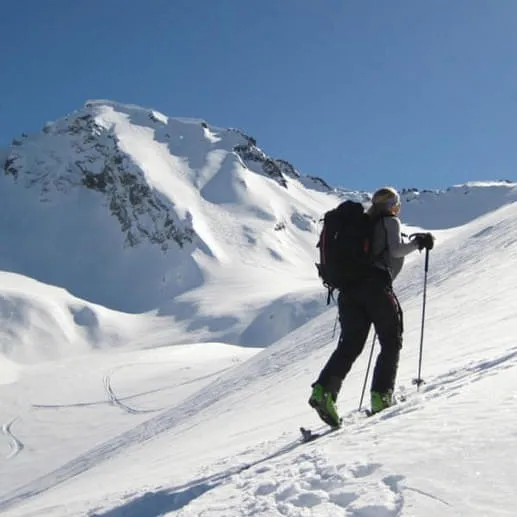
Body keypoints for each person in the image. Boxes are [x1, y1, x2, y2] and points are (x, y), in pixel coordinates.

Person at [309, 186, 434, 427]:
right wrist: (419, 243)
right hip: (375, 287)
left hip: (348, 291)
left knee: (351, 345)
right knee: (391, 340)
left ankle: (323, 391)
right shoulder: (389, 221)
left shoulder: (361, 225)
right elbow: (396, 249)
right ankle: (381, 396)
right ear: (393, 205)